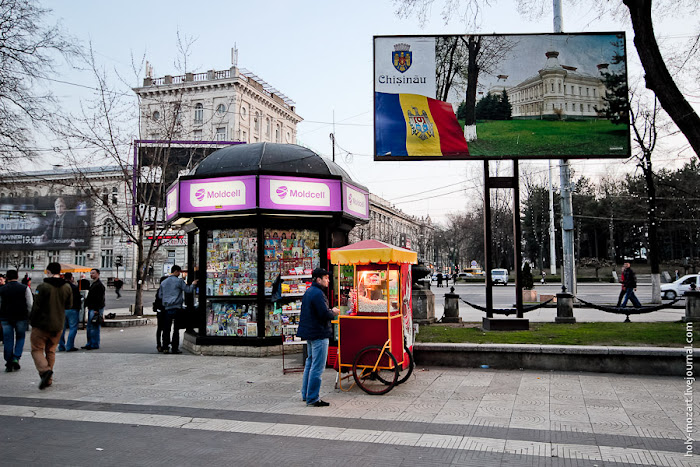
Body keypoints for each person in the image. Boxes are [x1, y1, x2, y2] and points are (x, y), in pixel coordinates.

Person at [296, 268, 340, 407]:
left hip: (310, 333)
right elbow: (324, 314)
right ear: (318, 279)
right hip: (319, 334)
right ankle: (313, 398)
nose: (328, 280)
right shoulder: (318, 294)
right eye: (326, 278)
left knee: (309, 364)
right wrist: (333, 312)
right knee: (317, 367)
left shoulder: (310, 292)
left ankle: (306, 394)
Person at [29, 262, 72, 389]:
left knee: (37, 349)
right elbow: (69, 305)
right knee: (51, 350)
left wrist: (32, 321)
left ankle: (45, 371)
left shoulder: (43, 287)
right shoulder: (67, 287)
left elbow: (36, 306)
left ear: (48, 271)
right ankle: (48, 379)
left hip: (42, 324)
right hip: (58, 324)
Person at [157, 265, 198, 354]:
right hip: (177, 308)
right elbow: (188, 290)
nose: (179, 274)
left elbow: (160, 295)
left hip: (167, 308)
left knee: (167, 329)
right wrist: (193, 284)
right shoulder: (179, 281)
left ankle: (165, 347)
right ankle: (175, 348)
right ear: (176, 271)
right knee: (176, 329)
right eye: (179, 272)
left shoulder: (163, 282)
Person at [0, 269, 33, 372]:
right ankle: (16, 357)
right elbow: (30, 303)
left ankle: (8, 360)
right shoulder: (24, 288)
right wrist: (29, 314)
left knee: (8, 339)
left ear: (6, 278)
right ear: (17, 277)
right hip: (21, 316)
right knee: (20, 337)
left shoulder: (2, 289)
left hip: (5, 317)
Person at [82, 268, 105, 350]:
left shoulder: (99, 285)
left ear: (98, 274)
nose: (91, 275)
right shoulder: (93, 284)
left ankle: (94, 344)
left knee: (94, 327)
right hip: (91, 308)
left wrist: (96, 310)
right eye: (91, 273)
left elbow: (99, 299)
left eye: (93, 273)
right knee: (89, 327)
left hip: (95, 309)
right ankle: (89, 343)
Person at [58, 272, 81, 352]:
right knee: (73, 327)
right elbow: (78, 299)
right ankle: (69, 346)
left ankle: (61, 346)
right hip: (73, 309)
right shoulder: (74, 287)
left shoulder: (60, 287)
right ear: (71, 278)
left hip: (62, 310)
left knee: (61, 328)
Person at [153, 276, 168, 353]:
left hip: (160, 311)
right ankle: (162, 344)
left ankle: (161, 344)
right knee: (163, 328)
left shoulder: (160, 290)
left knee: (161, 328)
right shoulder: (162, 290)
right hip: (163, 310)